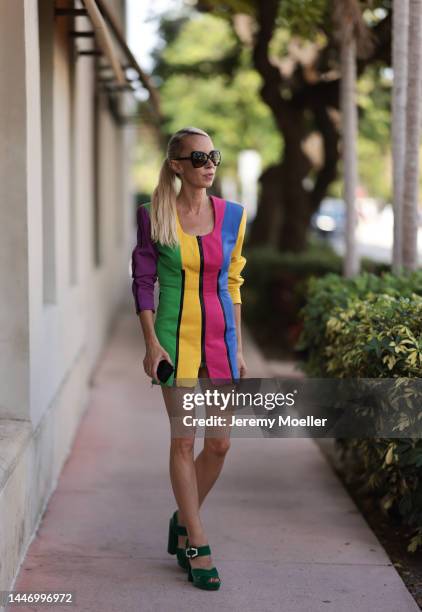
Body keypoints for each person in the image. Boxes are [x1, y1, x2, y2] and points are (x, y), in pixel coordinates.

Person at [131, 126, 248, 590]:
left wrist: (239, 346)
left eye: (213, 156)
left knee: (219, 444)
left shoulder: (234, 216)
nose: (209, 164)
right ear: (177, 165)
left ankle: (182, 516)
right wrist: (150, 344)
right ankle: (195, 539)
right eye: (198, 158)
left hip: (221, 340)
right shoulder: (152, 214)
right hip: (173, 339)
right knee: (184, 441)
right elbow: (142, 282)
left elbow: (236, 282)